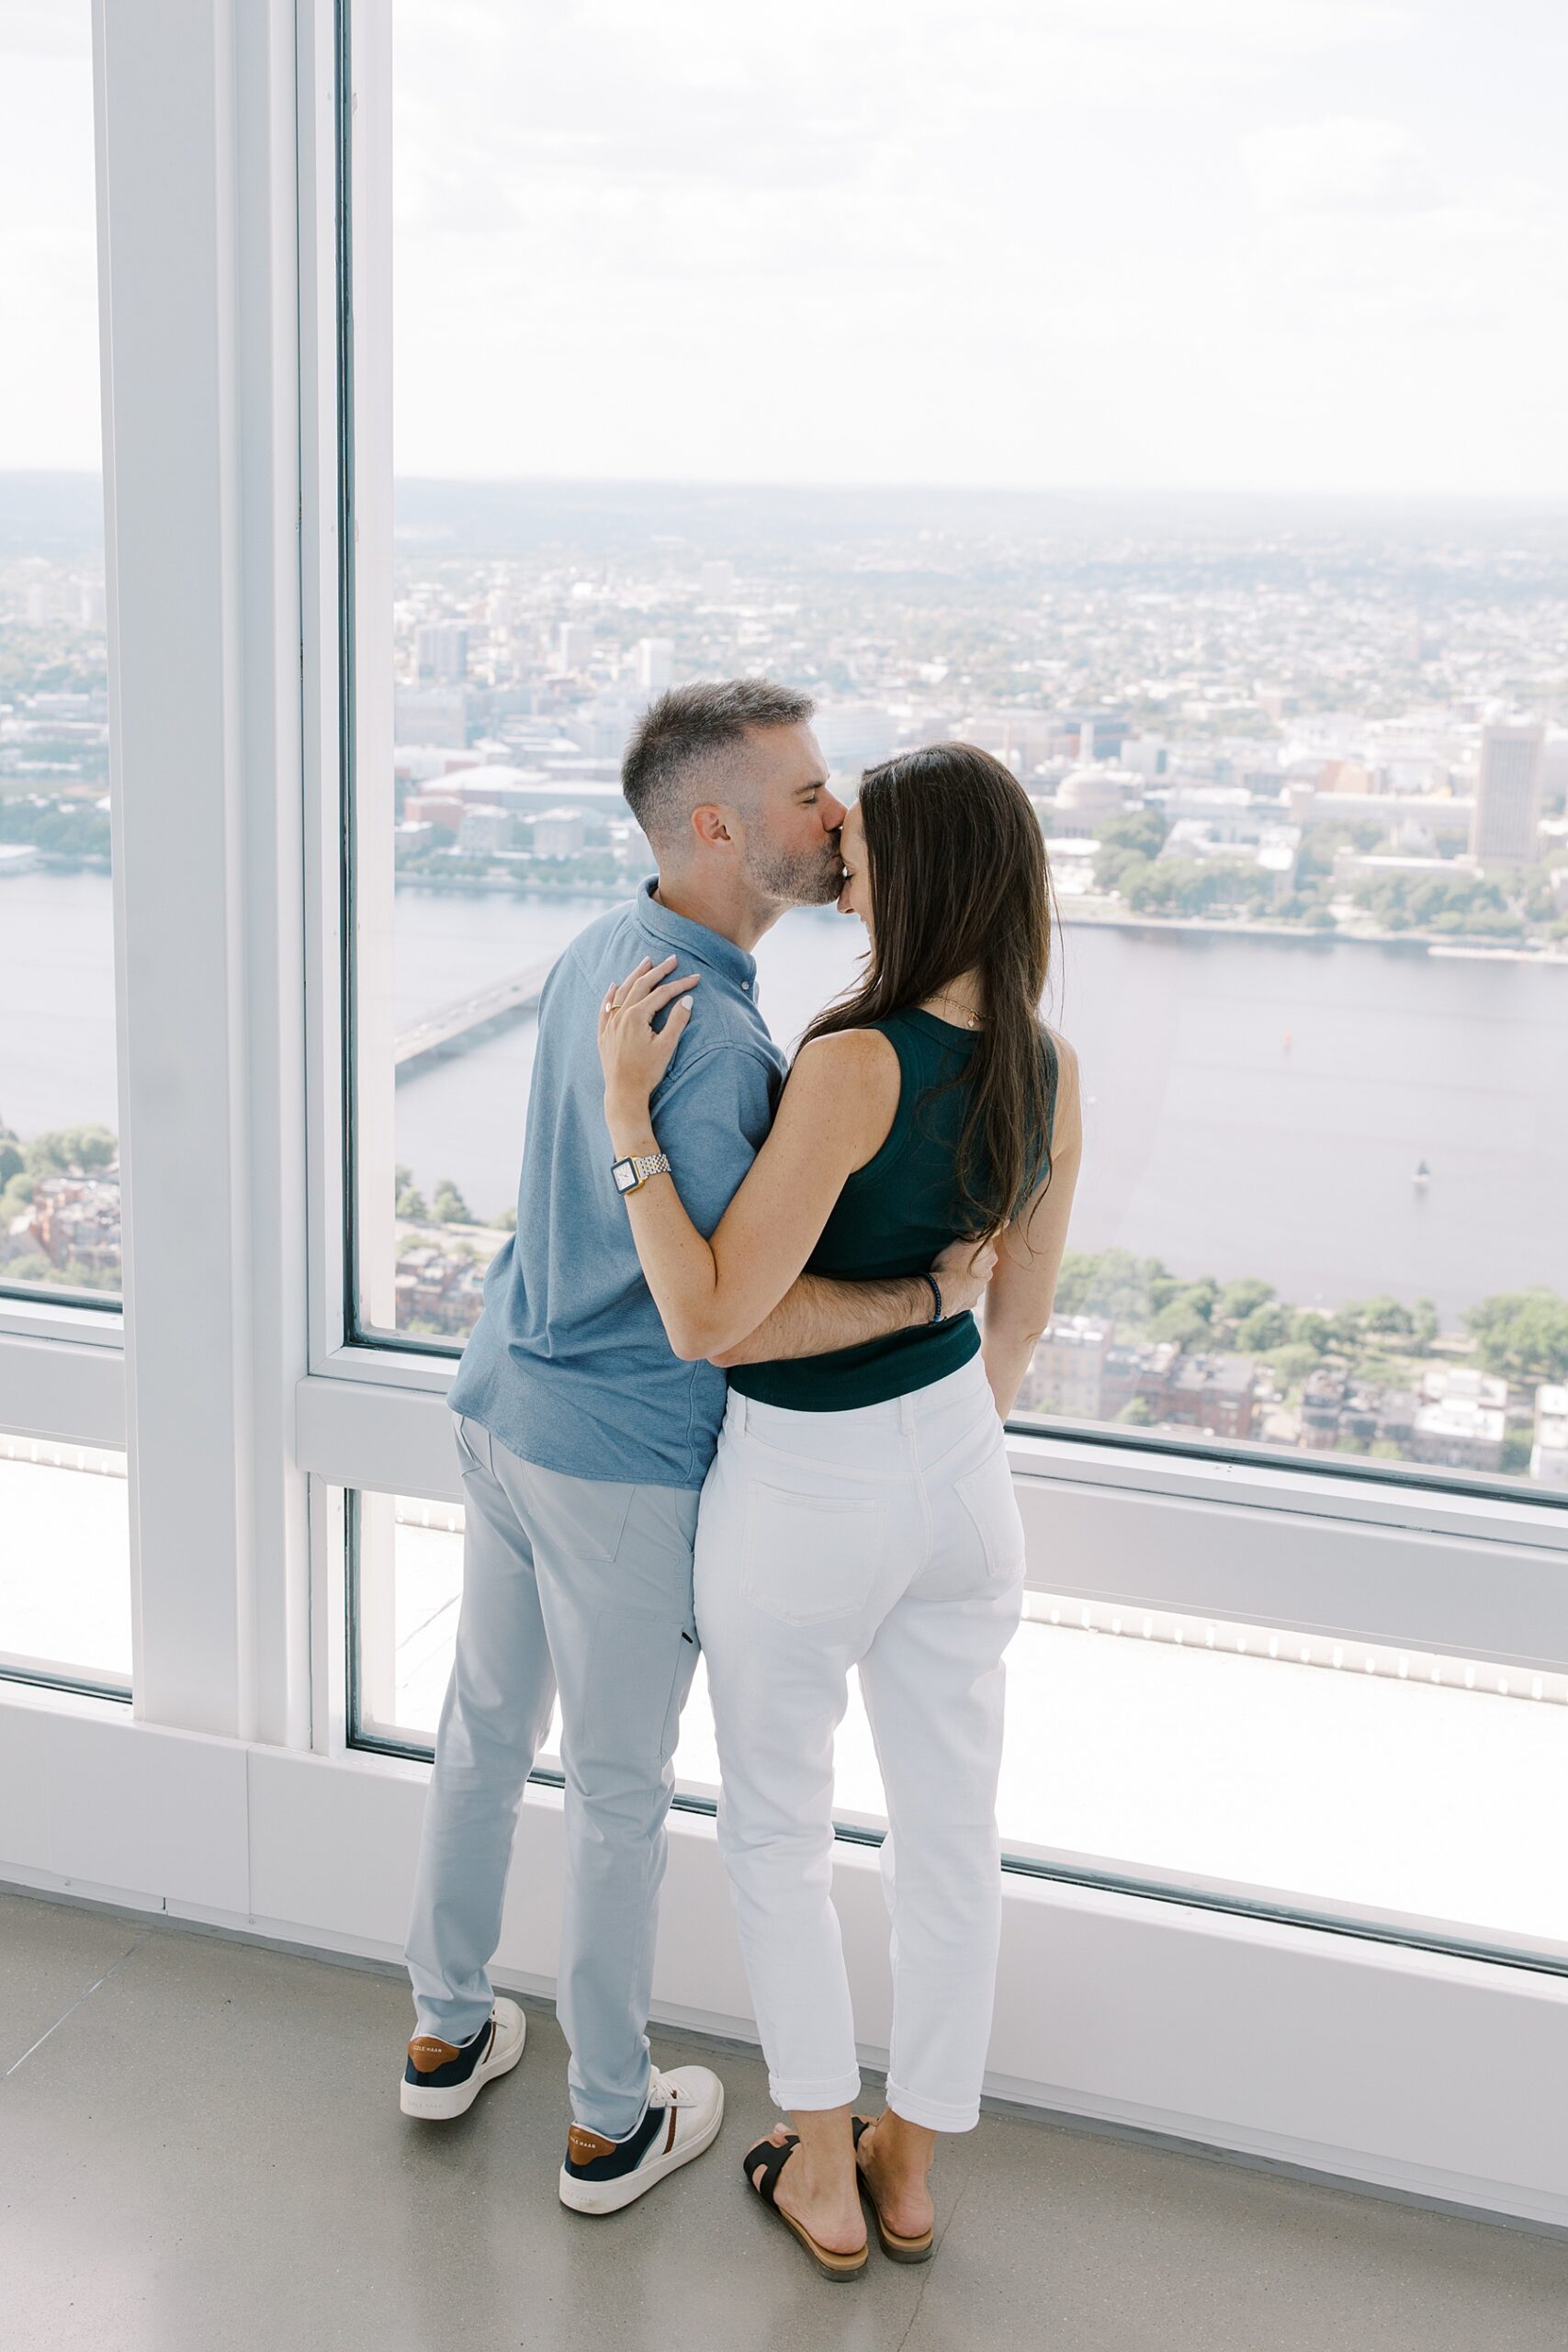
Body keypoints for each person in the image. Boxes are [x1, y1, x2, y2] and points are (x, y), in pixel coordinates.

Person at [400, 681, 998, 2219]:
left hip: (503, 1410)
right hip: (618, 1466)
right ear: (718, 824)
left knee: (480, 1733)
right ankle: (611, 2121)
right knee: (615, 1791)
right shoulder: (724, 1041)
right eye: (808, 793)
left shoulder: (606, 952)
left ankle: (445, 2028)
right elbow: (729, 1310)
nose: (837, 816)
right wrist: (933, 1287)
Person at [596, 740, 1082, 2277]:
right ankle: (913, 2162)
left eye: (860, 834)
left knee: (778, 1832)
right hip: (960, 1472)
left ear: (917, 870)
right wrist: (935, 1442)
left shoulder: (855, 1060)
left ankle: (818, 2164)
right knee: (952, 1835)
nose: (836, 847)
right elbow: (1015, 1320)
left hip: (808, 1483)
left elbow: (718, 1317)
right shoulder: (1054, 1066)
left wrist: (629, 1118)